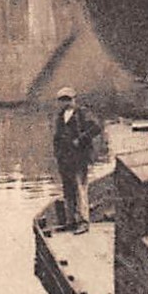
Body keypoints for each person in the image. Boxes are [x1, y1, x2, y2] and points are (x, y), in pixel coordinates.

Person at [52, 87, 101, 233]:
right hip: (64, 158)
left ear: (74, 99)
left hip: (79, 157)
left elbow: (96, 128)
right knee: (68, 190)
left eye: (68, 99)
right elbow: (57, 137)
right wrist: (57, 153)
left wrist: (80, 140)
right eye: (62, 100)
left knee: (80, 188)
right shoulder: (60, 116)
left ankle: (83, 221)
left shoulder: (82, 113)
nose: (65, 102)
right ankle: (70, 221)